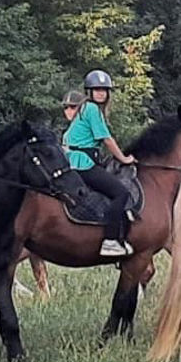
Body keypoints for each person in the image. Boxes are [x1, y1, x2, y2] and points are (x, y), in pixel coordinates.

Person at [63, 70, 135, 258]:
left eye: (104, 90)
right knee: (121, 193)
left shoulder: (85, 109)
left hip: (77, 159)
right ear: (89, 92)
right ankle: (110, 241)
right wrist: (124, 159)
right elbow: (107, 140)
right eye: (97, 90)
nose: (101, 93)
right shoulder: (92, 109)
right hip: (82, 162)